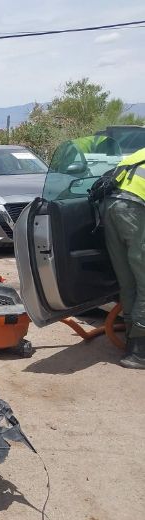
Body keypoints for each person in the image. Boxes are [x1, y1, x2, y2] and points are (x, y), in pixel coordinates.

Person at [102, 146, 145, 369]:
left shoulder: (140, 153)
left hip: (110, 207)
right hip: (135, 209)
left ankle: (132, 339)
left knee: (128, 282)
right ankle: (140, 352)